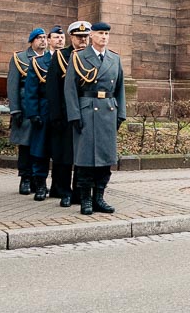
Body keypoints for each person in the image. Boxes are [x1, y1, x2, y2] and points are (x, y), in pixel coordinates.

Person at [66, 22, 125, 215]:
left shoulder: (114, 59)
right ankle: (85, 200)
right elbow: (70, 89)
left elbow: (120, 89)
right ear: (91, 35)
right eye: (100, 33)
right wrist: (74, 114)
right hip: (87, 110)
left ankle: (99, 197)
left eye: (107, 34)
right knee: (85, 160)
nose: (104, 37)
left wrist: (120, 113)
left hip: (108, 111)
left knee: (105, 160)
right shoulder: (79, 57)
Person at [45, 21, 91, 207]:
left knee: (81, 155)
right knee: (63, 155)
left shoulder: (90, 56)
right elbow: (53, 88)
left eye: (85, 36)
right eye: (79, 37)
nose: (82, 40)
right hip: (63, 114)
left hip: (85, 113)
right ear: (71, 37)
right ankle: (61, 189)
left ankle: (79, 191)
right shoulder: (61, 56)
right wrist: (55, 115)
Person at [26, 26, 68, 201]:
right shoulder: (39, 62)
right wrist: (33, 113)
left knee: (61, 151)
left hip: (63, 113)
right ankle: (41, 186)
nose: (60, 40)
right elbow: (31, 90)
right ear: (49, 40)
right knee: (40, 150)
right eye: (56, 37)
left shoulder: (71, 60)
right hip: (44, 112)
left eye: (62, 37)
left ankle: (60, 187)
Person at [7, 28, 45, 195]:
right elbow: (13, 85)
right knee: (25, 145)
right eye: (39, 38)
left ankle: (38, 180)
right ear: (32, 41)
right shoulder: (20, 58)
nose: (42, 41)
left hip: (42, 107)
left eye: (44, 37)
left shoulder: (49, 58)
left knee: (41, 145)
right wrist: (15, 109)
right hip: (25, 107)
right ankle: (25, 178)